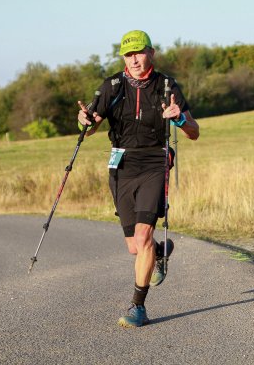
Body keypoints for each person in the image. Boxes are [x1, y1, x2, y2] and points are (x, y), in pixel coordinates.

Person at [77, 30, 200, 327]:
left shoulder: (167, 86)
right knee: (135, 246)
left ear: (151, 53)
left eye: (139, 53)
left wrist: (179, 117)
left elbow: (194, 131)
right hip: (121, 165)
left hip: (154, 162)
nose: (134, 59)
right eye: (128, 54)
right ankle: (159, 252)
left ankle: (137, 307)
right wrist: (86, 122)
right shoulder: (112, 86)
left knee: (143, 236)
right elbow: (91, 126)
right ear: (123, 57)